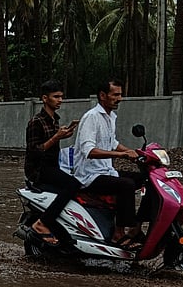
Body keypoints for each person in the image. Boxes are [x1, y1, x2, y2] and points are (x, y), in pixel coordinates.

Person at [72, 79, 146, 249]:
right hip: (90, 175)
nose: (119, 98)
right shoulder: (91, 117)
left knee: (145, 178)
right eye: (116, 95)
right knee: (126, 185)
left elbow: (112, 142)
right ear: (103, 96)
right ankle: (118, 234)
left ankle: (136, 229)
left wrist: (136, 153)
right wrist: (122, 154)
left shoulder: (110, 117)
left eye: (120, 94)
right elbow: (88, 150)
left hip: (106, 170)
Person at [24, 79, 82, 245]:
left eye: (61, 97)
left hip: (53, 165)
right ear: (44, 98)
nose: (60, 100)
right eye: (56, 96)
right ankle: (42, 224)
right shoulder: (36, 122)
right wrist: (56, 137)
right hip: (39, 170)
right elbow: (34, 151)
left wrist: (63, 135)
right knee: (73, 184)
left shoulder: (54, 120)